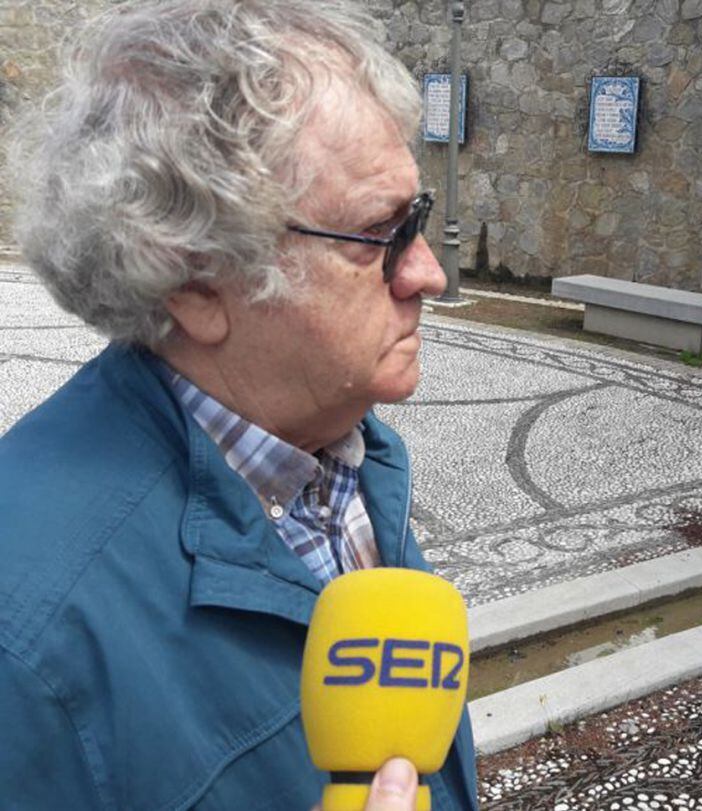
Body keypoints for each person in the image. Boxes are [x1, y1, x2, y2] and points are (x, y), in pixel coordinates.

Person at [0, 1, 477, 808]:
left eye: (418, 217)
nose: (428, 273)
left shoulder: (338, 453)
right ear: (194, 283)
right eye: (380, 232)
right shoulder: (30, 640)